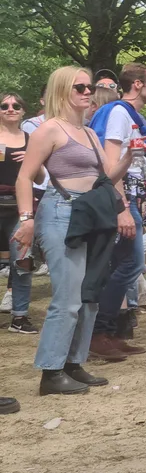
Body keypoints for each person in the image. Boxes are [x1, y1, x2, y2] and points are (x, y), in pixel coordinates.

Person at [15, 66, 133, 394]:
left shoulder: (90, 134)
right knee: (67, 298)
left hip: (90, 214)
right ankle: (51, 372)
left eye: (89, 86)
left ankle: (73, 363)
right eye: (79, 87)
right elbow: (24, 176)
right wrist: (26, 219)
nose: (87, 92)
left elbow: (106, 178)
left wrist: (129, 157)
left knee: (89, 296)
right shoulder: (49, 129)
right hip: (60, 212)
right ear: (61, 90)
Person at [89, 62, 146, 354]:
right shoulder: (119, 112)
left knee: (121, 264)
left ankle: (109, 333)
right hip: (120, 198)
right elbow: (110, 163)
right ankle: (98, 333)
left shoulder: (131, 115)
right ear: (138, 85)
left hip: (129, 198)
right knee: (131, 264)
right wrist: (122, 207)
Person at [0, 94, 36, 334]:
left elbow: (40, 177)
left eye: (16, 105)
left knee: (23, 261)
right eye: (4, 105)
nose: (10, 109)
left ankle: (19, 316)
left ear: (23, 111)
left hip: (19, 208)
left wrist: (32, 162)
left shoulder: (30, 140)